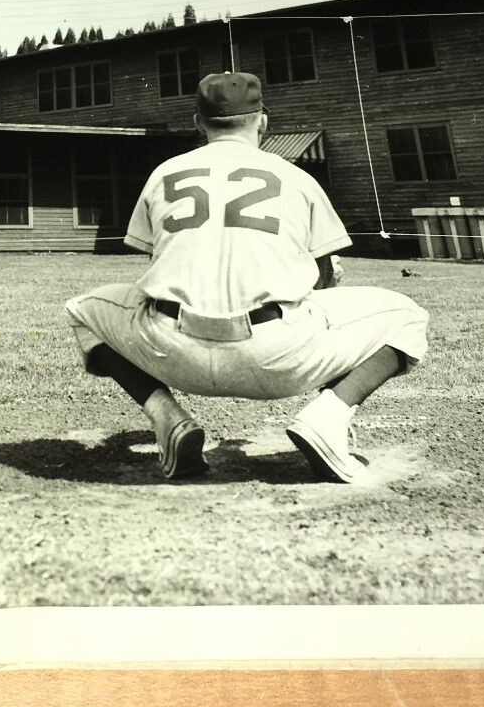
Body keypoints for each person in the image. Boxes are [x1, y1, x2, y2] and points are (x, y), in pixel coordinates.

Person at [63, 72, 430, 482]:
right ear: (263, 121)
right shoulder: (295, 176)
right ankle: (329, 417)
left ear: (198, 123)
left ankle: (167, 418)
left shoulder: (165, 173)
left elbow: (158, 258)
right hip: (278, 357)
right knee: (407, 316)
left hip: (173, 352)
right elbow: (326, 274)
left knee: (82, 309)